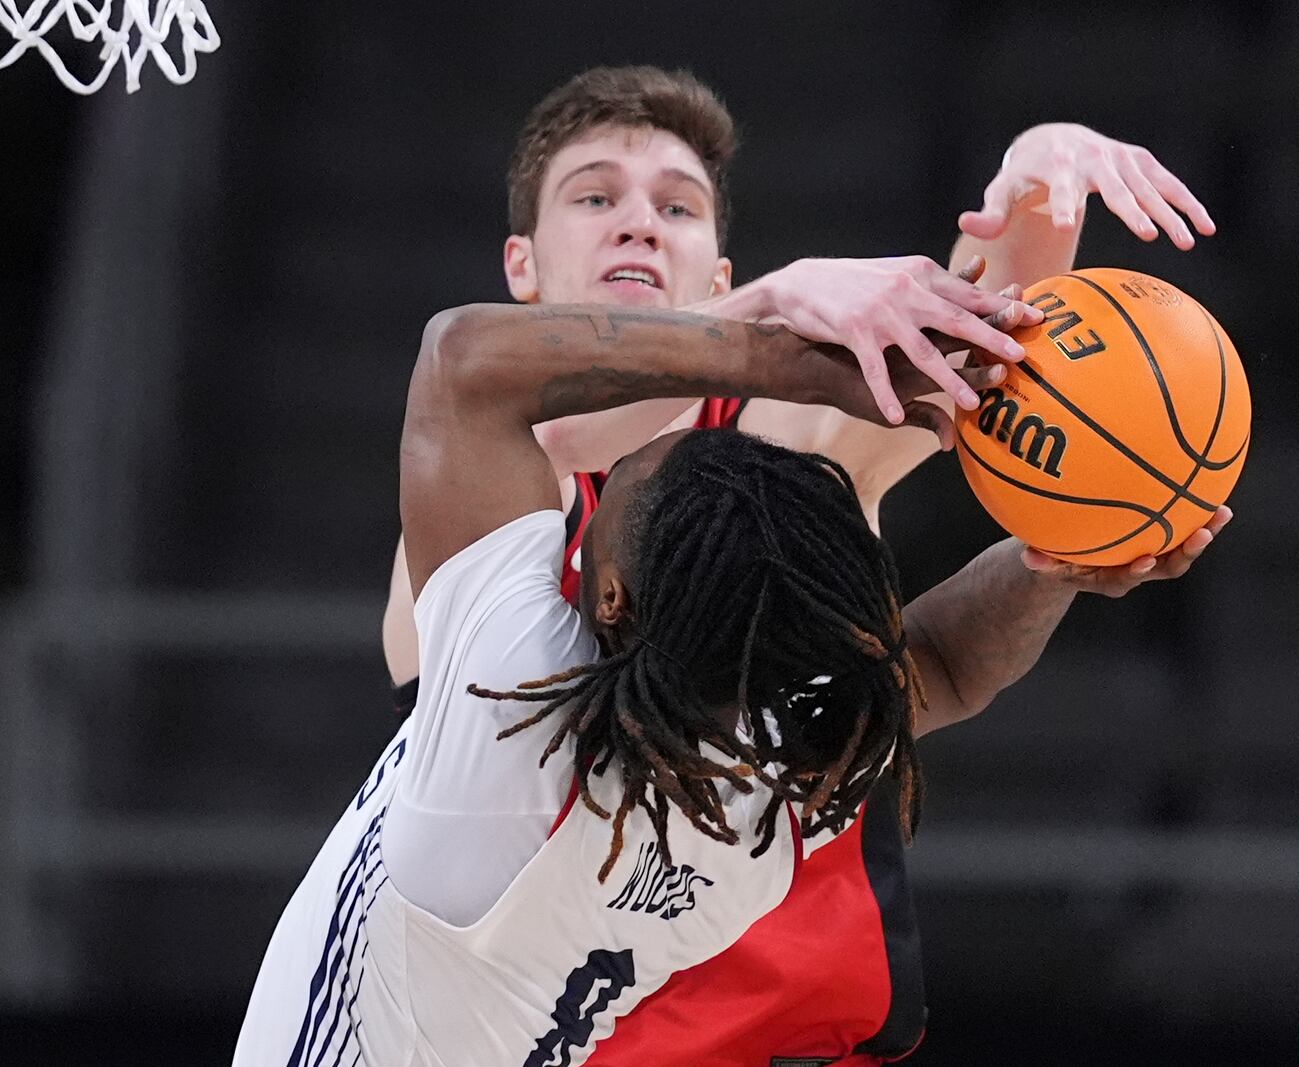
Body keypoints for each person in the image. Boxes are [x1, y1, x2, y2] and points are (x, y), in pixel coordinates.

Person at [368, 66, 1217, 1059]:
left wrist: (1036, 186)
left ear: (716, 271)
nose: (638, 222)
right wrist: (766, 317)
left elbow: (981, 359)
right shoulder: (482, 506)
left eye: (676, 206)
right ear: (522, 267)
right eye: (594, 196)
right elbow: (536, 419)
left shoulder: (787, 457)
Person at [235, 293, 1228, 1066]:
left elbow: (462, 359)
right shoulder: (769, 792)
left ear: (614, 595)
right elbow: (943, 665)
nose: (620, 455)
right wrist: (1045, 561)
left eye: (626, 474)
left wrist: (788, 360)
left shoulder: (512, 703)